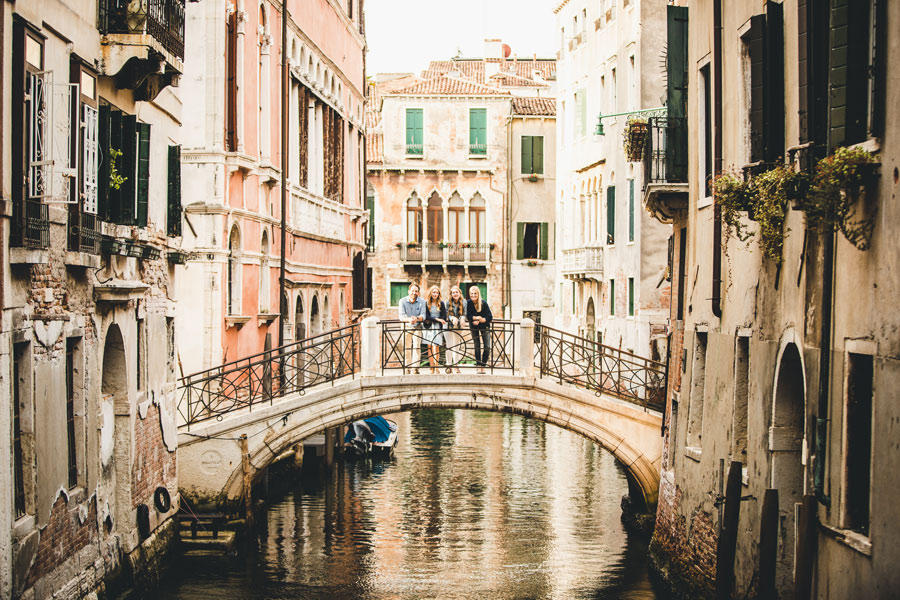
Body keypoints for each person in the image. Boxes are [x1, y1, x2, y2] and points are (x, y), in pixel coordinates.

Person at [398, 283, 426, 373]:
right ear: (409, 291)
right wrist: (409, 319)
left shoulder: (422, 301)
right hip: (406, 326)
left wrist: (417, 319)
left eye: (416, 291)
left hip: (417, 326)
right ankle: (407, 367)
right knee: (407, 347)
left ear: (418, 293)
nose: (414, 293)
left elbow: (423, 315)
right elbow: (401, 316)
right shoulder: (402, 301)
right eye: (413, 291)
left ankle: (415, 368)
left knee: (417, 347)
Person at [466, 285, 493, 373]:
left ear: (478, 294)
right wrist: (476, 318)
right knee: (477, 346)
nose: (473, 295)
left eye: (475, 293)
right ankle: (478, 366)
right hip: (474, 326)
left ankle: (483, 365)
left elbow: (489, 316)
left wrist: (482, 319)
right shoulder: (468, 303)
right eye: (471, 293)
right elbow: (468, 315)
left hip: (484, 326)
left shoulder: (483, 303)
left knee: (487, 346)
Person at [422, 286, 447, 373]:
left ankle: (436, 367)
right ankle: (431, 367)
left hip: (437, 328)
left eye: (437, 292)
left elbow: (444, 316)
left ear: (438, 294)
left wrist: (439, 320)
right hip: (428, 327)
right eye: (433, 292)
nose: (435, 294)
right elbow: (426, 316)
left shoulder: (441, 303)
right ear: (430, 293)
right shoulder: (426, 303)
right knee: (429, 347)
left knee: (436, 347)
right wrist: (437, 319)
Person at [445, 286, 467, 373]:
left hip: (459, 326)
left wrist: (462, 318)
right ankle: (448, 365)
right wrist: (452, 318)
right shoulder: (448, 303)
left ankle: (456, 365)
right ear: (451, 294)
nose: (455, 294)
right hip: (449, 326)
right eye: (453, 292)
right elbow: (447, 314)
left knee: (456, 346)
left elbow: (465, 313)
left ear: (460, 293)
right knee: (449, 346)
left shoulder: (464, 302)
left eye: (456, 292)